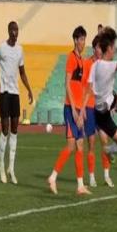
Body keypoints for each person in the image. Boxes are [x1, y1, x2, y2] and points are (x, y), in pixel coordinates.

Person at [81, 27, 117, 157]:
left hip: (100, 112)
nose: (115, 50)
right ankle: (115, 107)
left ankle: (108, 150)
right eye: (114, 47)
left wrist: (83, 108)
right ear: (109, 48)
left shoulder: (95, 65)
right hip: (106, 106)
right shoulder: (110, 65)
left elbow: (89, 88)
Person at [47, 26, 91, 195]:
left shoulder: (83, 61)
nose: (83, 43)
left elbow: (82, 87)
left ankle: (80, 185)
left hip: (79, 109)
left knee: (80, 146)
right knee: (71, 145)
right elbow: (67, 84)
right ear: (75, 40)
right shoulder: (71, 58)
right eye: (81, 39)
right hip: (70, 108)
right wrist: (73, 109)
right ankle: (53, 177)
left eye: (84, 39)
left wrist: (82, 110)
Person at [0, 21, 34, 184]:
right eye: (13, 30)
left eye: (17, 30)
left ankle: (11, 169)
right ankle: (1, 166)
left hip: (15, 93)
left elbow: (22, 72)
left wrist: (29, 89)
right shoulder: (1, 48)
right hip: (4, 93)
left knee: (15, 130)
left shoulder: (20, 50)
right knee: (5, 129)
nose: (15, 33)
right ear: (8, 31)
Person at [84, 34, 114, 188]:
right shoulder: (88, 64)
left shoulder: (104, 65)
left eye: (100, 48)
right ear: (94, 48)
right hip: (89, 108)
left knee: (105, 141)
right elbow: (84, 86)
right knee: (91, 143)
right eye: (96, 47)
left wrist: (111, 105)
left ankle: (107, 176)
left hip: (101, 109)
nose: (98, 50)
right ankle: (91, 177)